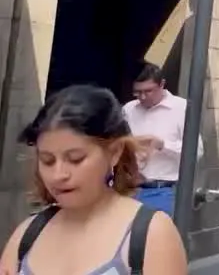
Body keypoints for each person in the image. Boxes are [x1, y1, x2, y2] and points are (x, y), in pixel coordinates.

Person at [1, 84, 187, 275]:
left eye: (76, 159)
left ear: (114, 153)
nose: (58, 175)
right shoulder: (26, 235)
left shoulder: (151, 234)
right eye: (47, 161)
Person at [123, 64, 203, 216]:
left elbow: (196, 151)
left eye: (148, 91)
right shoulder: (129, 109)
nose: (143, 97)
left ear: (162, 85)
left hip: (163, 191)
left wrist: (162, 145)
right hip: (130, 189)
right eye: (137, 92)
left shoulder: (181, 108)